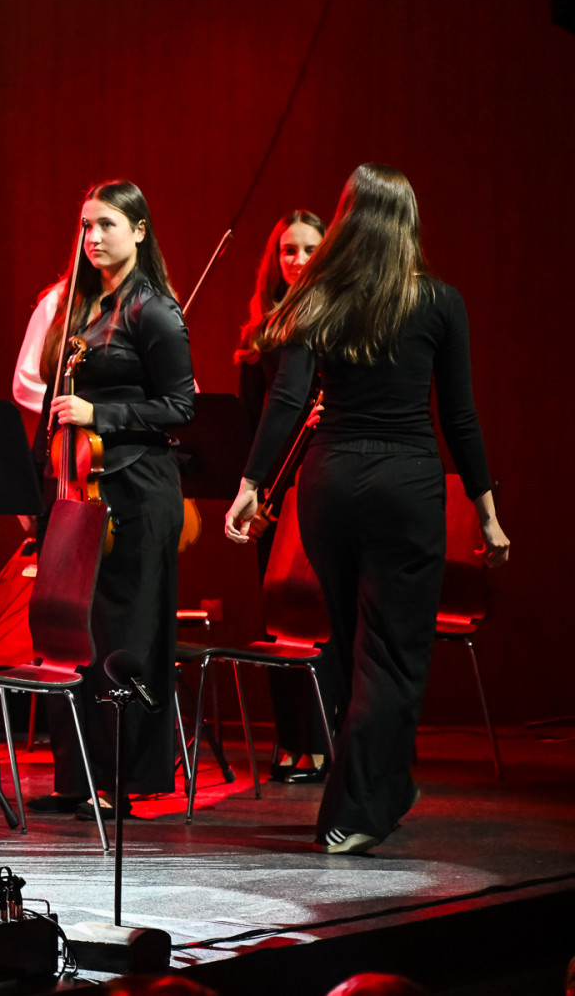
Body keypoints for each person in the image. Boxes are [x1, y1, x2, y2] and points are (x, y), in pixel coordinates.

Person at [225, 163, 509, 854]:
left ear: (346, 220)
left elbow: (287, 398)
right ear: (408, 223)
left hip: (328, 485)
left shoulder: (315, 295)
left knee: (355, 646)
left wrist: (251, 484)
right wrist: (487, 509)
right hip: (405, 486)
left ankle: (387, 787)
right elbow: (460, 416)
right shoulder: (439, 302)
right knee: (393, 654)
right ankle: (352, 812)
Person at [17, 180, 196, 821]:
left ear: (140, 231)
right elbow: (53, 405)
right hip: (84, 488)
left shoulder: (155, 310)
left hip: (139, 490)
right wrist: (37, 483)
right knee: (79, 634)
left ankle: (127, 777)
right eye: (86, 226)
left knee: (130, 637)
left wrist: (103, 413)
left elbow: (181, 407)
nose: (92, 237)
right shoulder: (82, 307)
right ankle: (79, 777)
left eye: (107, 225)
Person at [235, 209, 333, 783]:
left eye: (309, 249)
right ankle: (289, 739)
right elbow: (254, 424)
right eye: (288, 250)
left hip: (315, 487)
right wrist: (253, 492)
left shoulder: (334, 319)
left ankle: (319, 742)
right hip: (268, 497)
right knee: (277, 619)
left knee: (315, 616)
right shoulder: (262, 331)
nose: (297, 260)